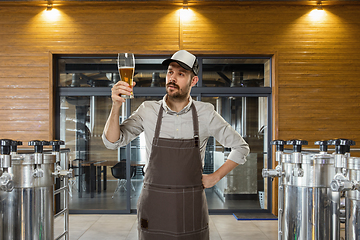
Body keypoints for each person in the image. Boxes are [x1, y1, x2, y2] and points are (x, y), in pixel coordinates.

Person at [102, 50, 250, 240]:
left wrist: (215, 177)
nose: (173, 78)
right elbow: (112, 141)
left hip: (191, 205)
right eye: (170, 72)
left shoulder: (206, 113)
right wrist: (116, 105)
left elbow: (241, 147)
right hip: (154, 204)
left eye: (181, 74)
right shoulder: (148, 110)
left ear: (193, 81)